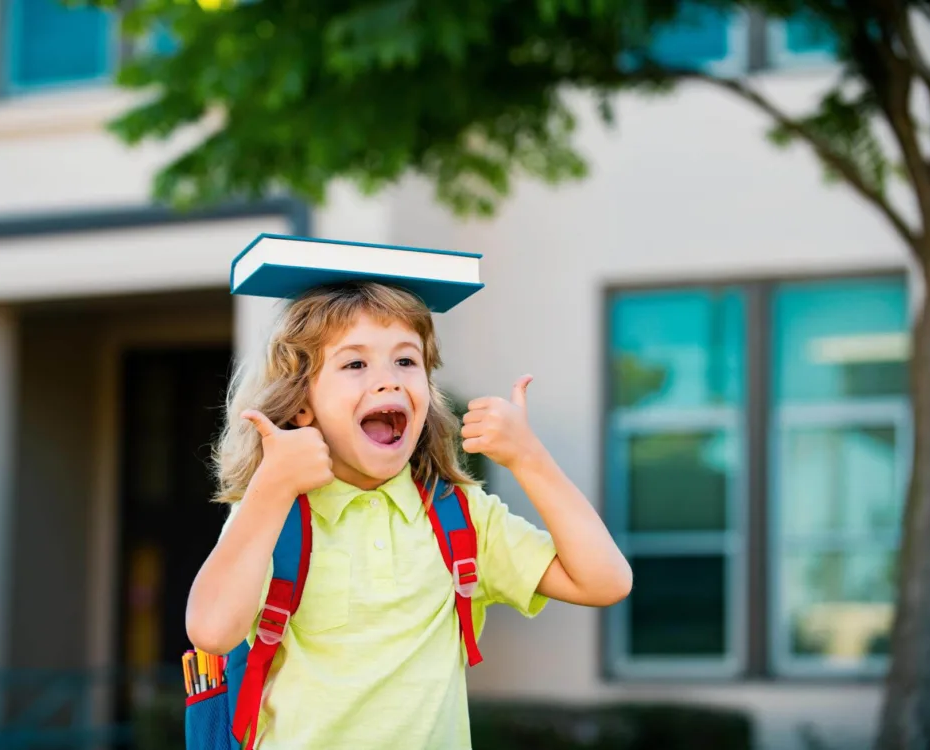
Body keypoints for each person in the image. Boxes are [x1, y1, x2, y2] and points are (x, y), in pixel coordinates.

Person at [186, 281, 631, 749]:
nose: (389, 380)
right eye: (355, 363)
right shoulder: (271, 517)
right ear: (300, 405)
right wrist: (270, 488)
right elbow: (212, 632)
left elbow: (606, 581)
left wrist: (529, 459)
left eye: (406, 360)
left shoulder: (460, 516)